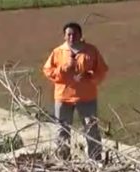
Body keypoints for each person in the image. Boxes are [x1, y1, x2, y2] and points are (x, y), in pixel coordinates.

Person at [42, 22, 109, 161]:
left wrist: (90, 77)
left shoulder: (91, 51)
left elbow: (102, 70)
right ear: (64, 36)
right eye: (69, 34)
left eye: (75, 34)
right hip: (63, 98)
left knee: (91, 130)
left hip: (86, 97)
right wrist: (63, 69)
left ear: (81, 35)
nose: (72, 37)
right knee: (62, 130)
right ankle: (63, 160)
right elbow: (48, 71)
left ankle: (95, 159)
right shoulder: (58, 52)